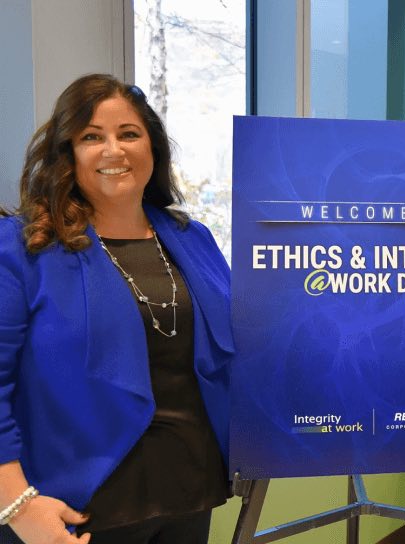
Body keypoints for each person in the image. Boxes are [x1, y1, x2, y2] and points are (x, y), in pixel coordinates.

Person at [0, 74, 233, 544]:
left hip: (189, 493)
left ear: (153, 148)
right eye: (91, 136)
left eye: (129, 133)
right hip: (73, 511)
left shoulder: (194, 239)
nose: (113, 150)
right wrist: (15, 505)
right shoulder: (22, 246)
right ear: (67, 153)